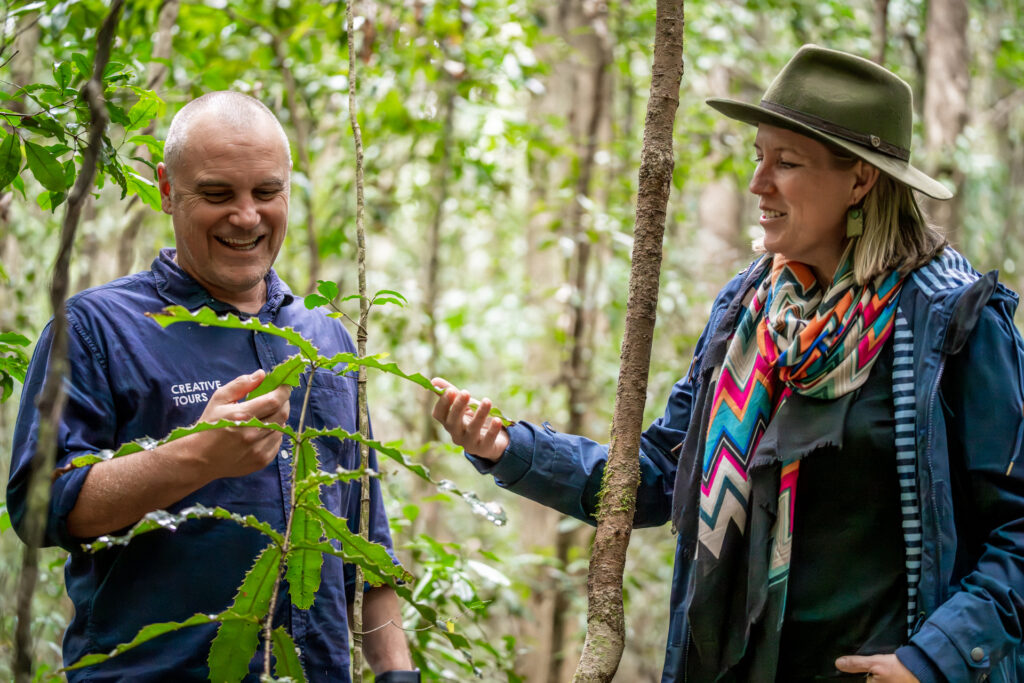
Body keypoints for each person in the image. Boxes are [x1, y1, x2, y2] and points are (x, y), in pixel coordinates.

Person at [432, 45, 1024, 682]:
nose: (757, 184)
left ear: (860, 179)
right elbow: (660, 476)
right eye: (758, 157)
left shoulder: (951, 320)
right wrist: (509, 449)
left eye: (787, 163)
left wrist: (932, 662)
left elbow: (1016, 528)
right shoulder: (751, 310)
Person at [8, 92, 419, 682]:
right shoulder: (96, 329)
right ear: (167, 190)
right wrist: (197, 455)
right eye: (218, 194)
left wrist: (397, 674)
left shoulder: (325, 337)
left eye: (266, 192)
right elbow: (38, 508)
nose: (247, 216)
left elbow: (365, 539)